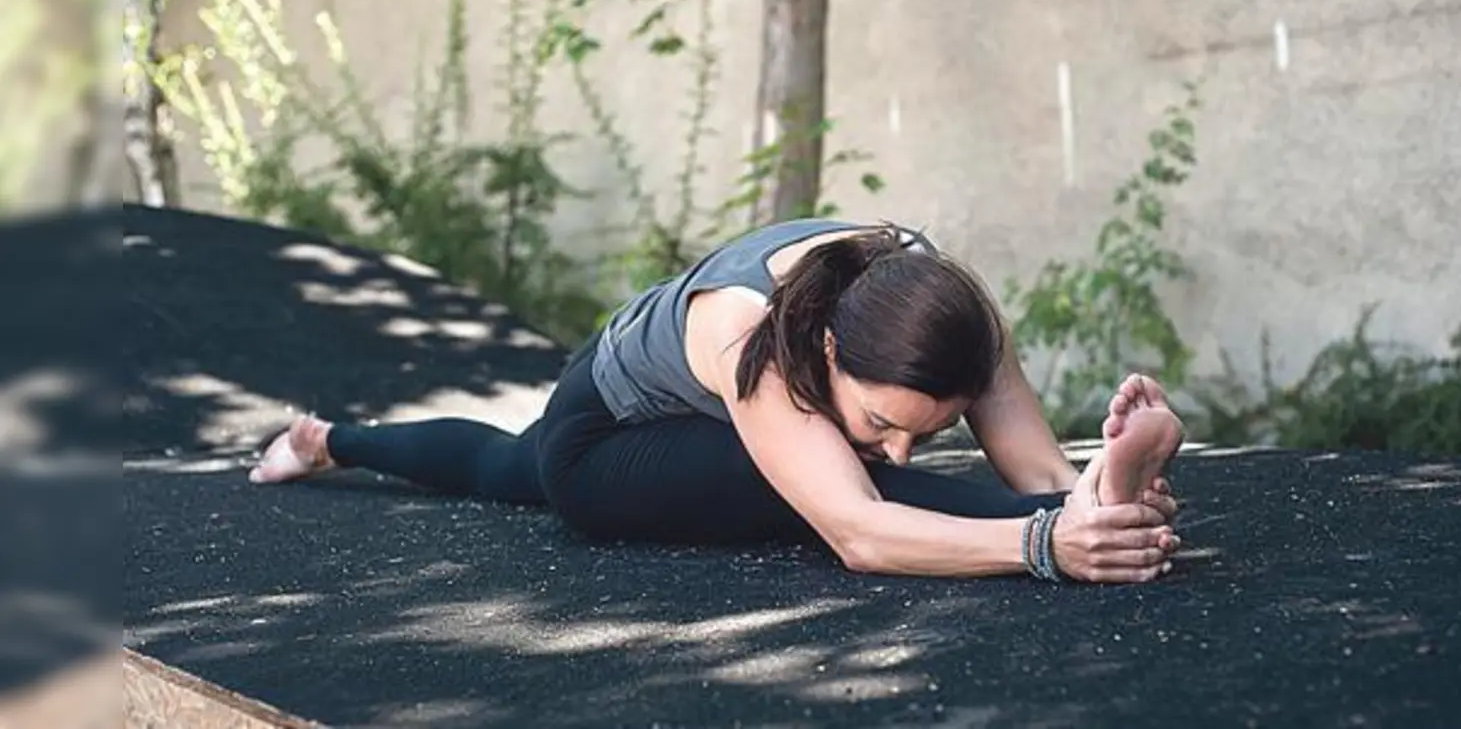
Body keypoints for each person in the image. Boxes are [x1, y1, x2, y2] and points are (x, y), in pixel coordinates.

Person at [249, 218, 1185, 583]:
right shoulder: (748, 331)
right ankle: (333, 438)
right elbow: (857, 532)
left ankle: (329, 439)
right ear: (826, 348)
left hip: (716, 408)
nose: (900, 448)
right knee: (520, 468)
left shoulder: (941, 314)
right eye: (882, 423)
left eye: (922, 429)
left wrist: (1085, 492)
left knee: (499, 464)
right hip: (604, 440)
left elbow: (1039, 473)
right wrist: (1046, 543)